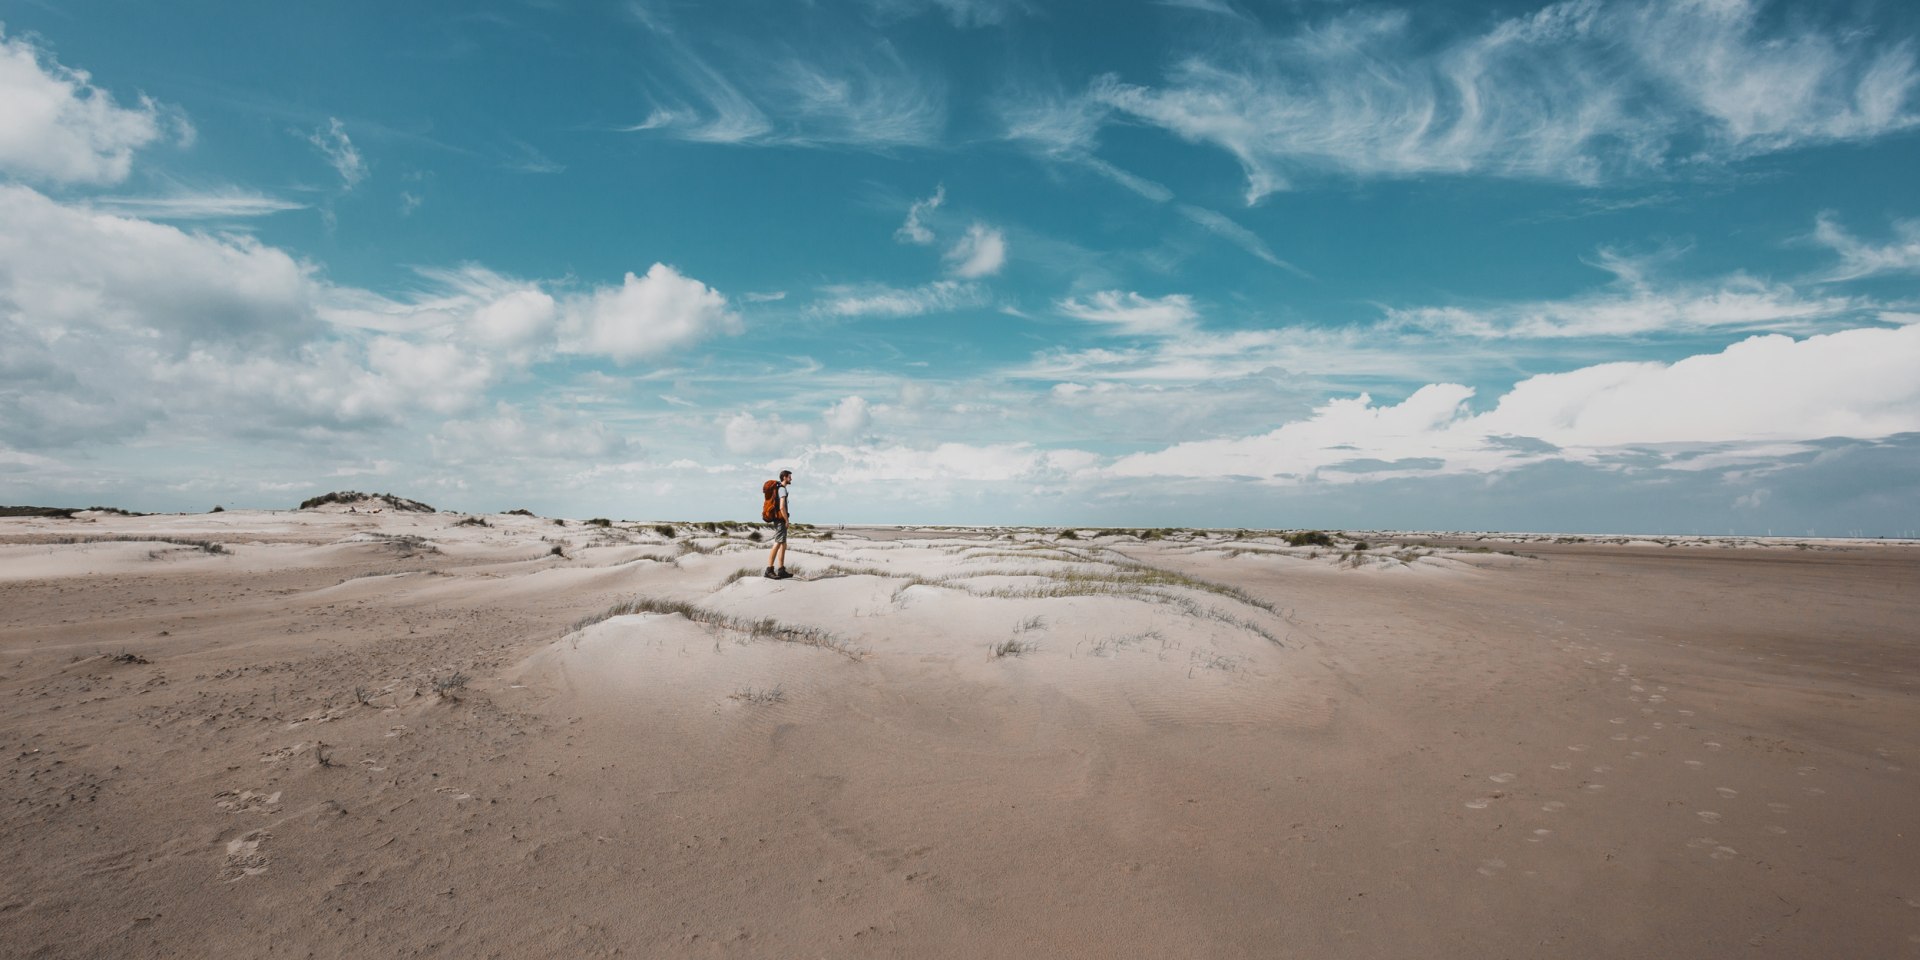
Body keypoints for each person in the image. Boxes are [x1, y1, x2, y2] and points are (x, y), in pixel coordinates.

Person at [764, 469, 793, 579]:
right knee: (777, 543)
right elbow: (782, 507)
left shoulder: (780, 488)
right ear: (784, 477)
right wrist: (786, 520)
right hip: (780, 520)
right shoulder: (782, 489)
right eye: (789, 476)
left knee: (783, 543)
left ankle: (781, 570)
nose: (791, 478)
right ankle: (769, 570)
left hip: (779, 519)